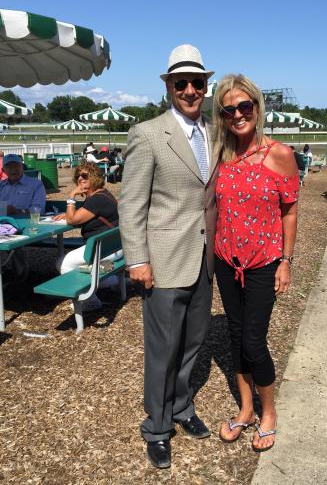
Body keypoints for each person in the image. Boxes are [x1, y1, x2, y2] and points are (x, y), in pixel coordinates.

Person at [118, 44, 217, 469]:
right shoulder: (147, 133)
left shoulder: (215, 131)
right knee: (163, 349)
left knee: (193, 343)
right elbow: (131, 203)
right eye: (182, 83)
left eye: (197, 82)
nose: (191, 90)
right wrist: (137, 259)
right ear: (169, 87)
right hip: (162, 259)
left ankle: (180, 407)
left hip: (205, 258)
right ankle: (157, 427)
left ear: (205, 86)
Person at [213, 74, 298, 453]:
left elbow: (290, 211)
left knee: (253, 339)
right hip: (225, 262)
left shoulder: (279, 154)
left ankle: (269, 413)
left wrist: (287, 260)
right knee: (234, 336)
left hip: (263, 262)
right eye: (228, 109)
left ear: (258, 108)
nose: (237, 115)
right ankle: (246, 409)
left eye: (244, 106)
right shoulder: (223, 155)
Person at [54, 162, 121, 311]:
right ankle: (114, 281)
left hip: (102, 248)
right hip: (112, 246)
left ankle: (90, 300)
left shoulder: (97, 199)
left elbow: (72, 220)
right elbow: (84, 215)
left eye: (85, 176)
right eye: (78, 176)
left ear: (95, 177)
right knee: (72, 266)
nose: (80, 179)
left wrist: (71, 196)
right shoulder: (101, 195)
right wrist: (70, 214)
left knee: (63, 263)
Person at [0, 153, 46, 278]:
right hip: (3, 225)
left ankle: (20, 277)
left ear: (22, 167)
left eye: (16, 166)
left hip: (26, 226)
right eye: (9, 167)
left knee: (15, 241)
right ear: (4, 170)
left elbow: (39, 209)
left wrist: (18, 211)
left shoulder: (35, 184)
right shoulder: (1, 185)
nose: (13, 169)